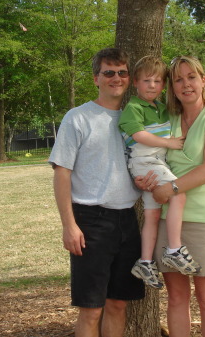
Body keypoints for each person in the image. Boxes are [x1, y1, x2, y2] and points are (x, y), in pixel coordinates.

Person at [49, 48, 145, 337]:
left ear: (129, 78)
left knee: (118, 305)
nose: (116, 78)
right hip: (90, 222)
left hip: (128, 221)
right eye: (109, 73)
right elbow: (61, 172)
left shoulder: (136, 119)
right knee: (91, 309)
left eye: (122, 72)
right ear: (96, 78)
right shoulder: (78, 118)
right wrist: (69, 225)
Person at [138, 56, 205, 336]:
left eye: (192, 77)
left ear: (203, 81)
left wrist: (171, 188)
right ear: (172, 87)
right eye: (178, 79)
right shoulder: (168, 119)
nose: (186, 84)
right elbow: (150, 154)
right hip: (168, 220)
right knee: (177, 298)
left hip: (204, 219)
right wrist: (143, 177)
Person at [118, 56, 201, 290]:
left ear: (163, 85)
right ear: (135, 82)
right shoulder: (133, 108)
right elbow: (139, 136)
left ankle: (145, 261)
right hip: (146, 162)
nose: (152, 86)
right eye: (146, 81)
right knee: (179, 195)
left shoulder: (162, 109)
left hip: (155, 164)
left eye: (157, 81)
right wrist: (170, 143)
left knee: (152, 215)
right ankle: (174, 249)